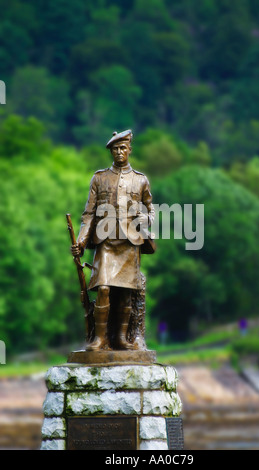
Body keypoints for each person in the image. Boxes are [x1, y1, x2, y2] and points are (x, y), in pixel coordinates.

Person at [71, 130, 155, 351]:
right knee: (104, 287)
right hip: (106, 241)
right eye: (115, 149)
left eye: (123, 148)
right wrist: (81, 241)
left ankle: (120, 338)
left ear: (130, 149)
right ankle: (99, 339)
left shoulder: (140, 180)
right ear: (111, 151)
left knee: (126, 292)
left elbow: (151, 211)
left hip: (129, 242)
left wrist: (144, 218)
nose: (119, 152)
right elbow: (88, 214)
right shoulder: (99, 178)